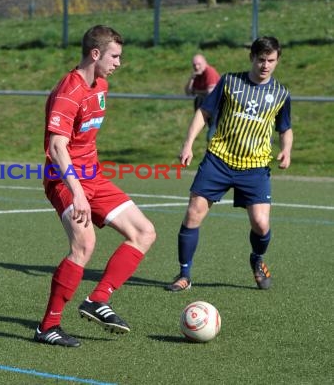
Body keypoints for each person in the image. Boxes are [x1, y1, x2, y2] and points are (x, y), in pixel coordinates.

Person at [33, 25, 156, 347]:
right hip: (64, 179)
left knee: (144, 232)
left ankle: (97, 300)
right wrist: (77, 193)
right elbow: (58, 148)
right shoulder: (68, 91)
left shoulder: (100, 84)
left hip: (93, 177)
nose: (119, 62)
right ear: (96, 53)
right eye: (115, 56)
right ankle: (48, 326)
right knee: (84, 244)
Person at [166, 36, 293, 293]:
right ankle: (184, 274)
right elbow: (204, 112)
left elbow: (285, 128)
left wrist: (286, 151)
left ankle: (257, 260)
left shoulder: (281, 94)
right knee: (193, 214)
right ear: (252, 58)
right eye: (261, 59)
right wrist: (188, 143)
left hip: (255, 166)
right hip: (219, 160)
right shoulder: (230, 82)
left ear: (277, 60)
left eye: (271, 60)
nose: (265, 65)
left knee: (261, 223)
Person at [184, 54, 220, 141]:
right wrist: (191, 79)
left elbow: (210, 92)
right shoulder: (197, 75)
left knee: (211, 137)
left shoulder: (209, 72)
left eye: (199, 64)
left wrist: (196, 91)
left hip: (217, 109)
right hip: (207, 109)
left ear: (205, 63)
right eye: (194, 65)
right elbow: (188, 92)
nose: (196, 67)